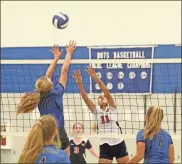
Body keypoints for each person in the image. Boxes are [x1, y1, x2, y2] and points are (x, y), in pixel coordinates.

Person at [17, 41, 76, 155]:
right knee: (65, 158)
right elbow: (64, 71)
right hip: (57, 131)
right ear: (51, 86)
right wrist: (69, 53)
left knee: (47, 158)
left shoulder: (38, 95)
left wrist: (56, 57)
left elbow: (47, 76)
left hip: (44, 131)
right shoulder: (56, 92)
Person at [72, 67, 129, 164]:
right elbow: (85, 98)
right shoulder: (96, 110)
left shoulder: (112, 108)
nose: (101, 97)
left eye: (103, 97)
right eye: (99, 97)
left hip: (118, 143)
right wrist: (79, 83)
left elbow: (107, 93)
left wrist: (96, 78)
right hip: (104, 145)